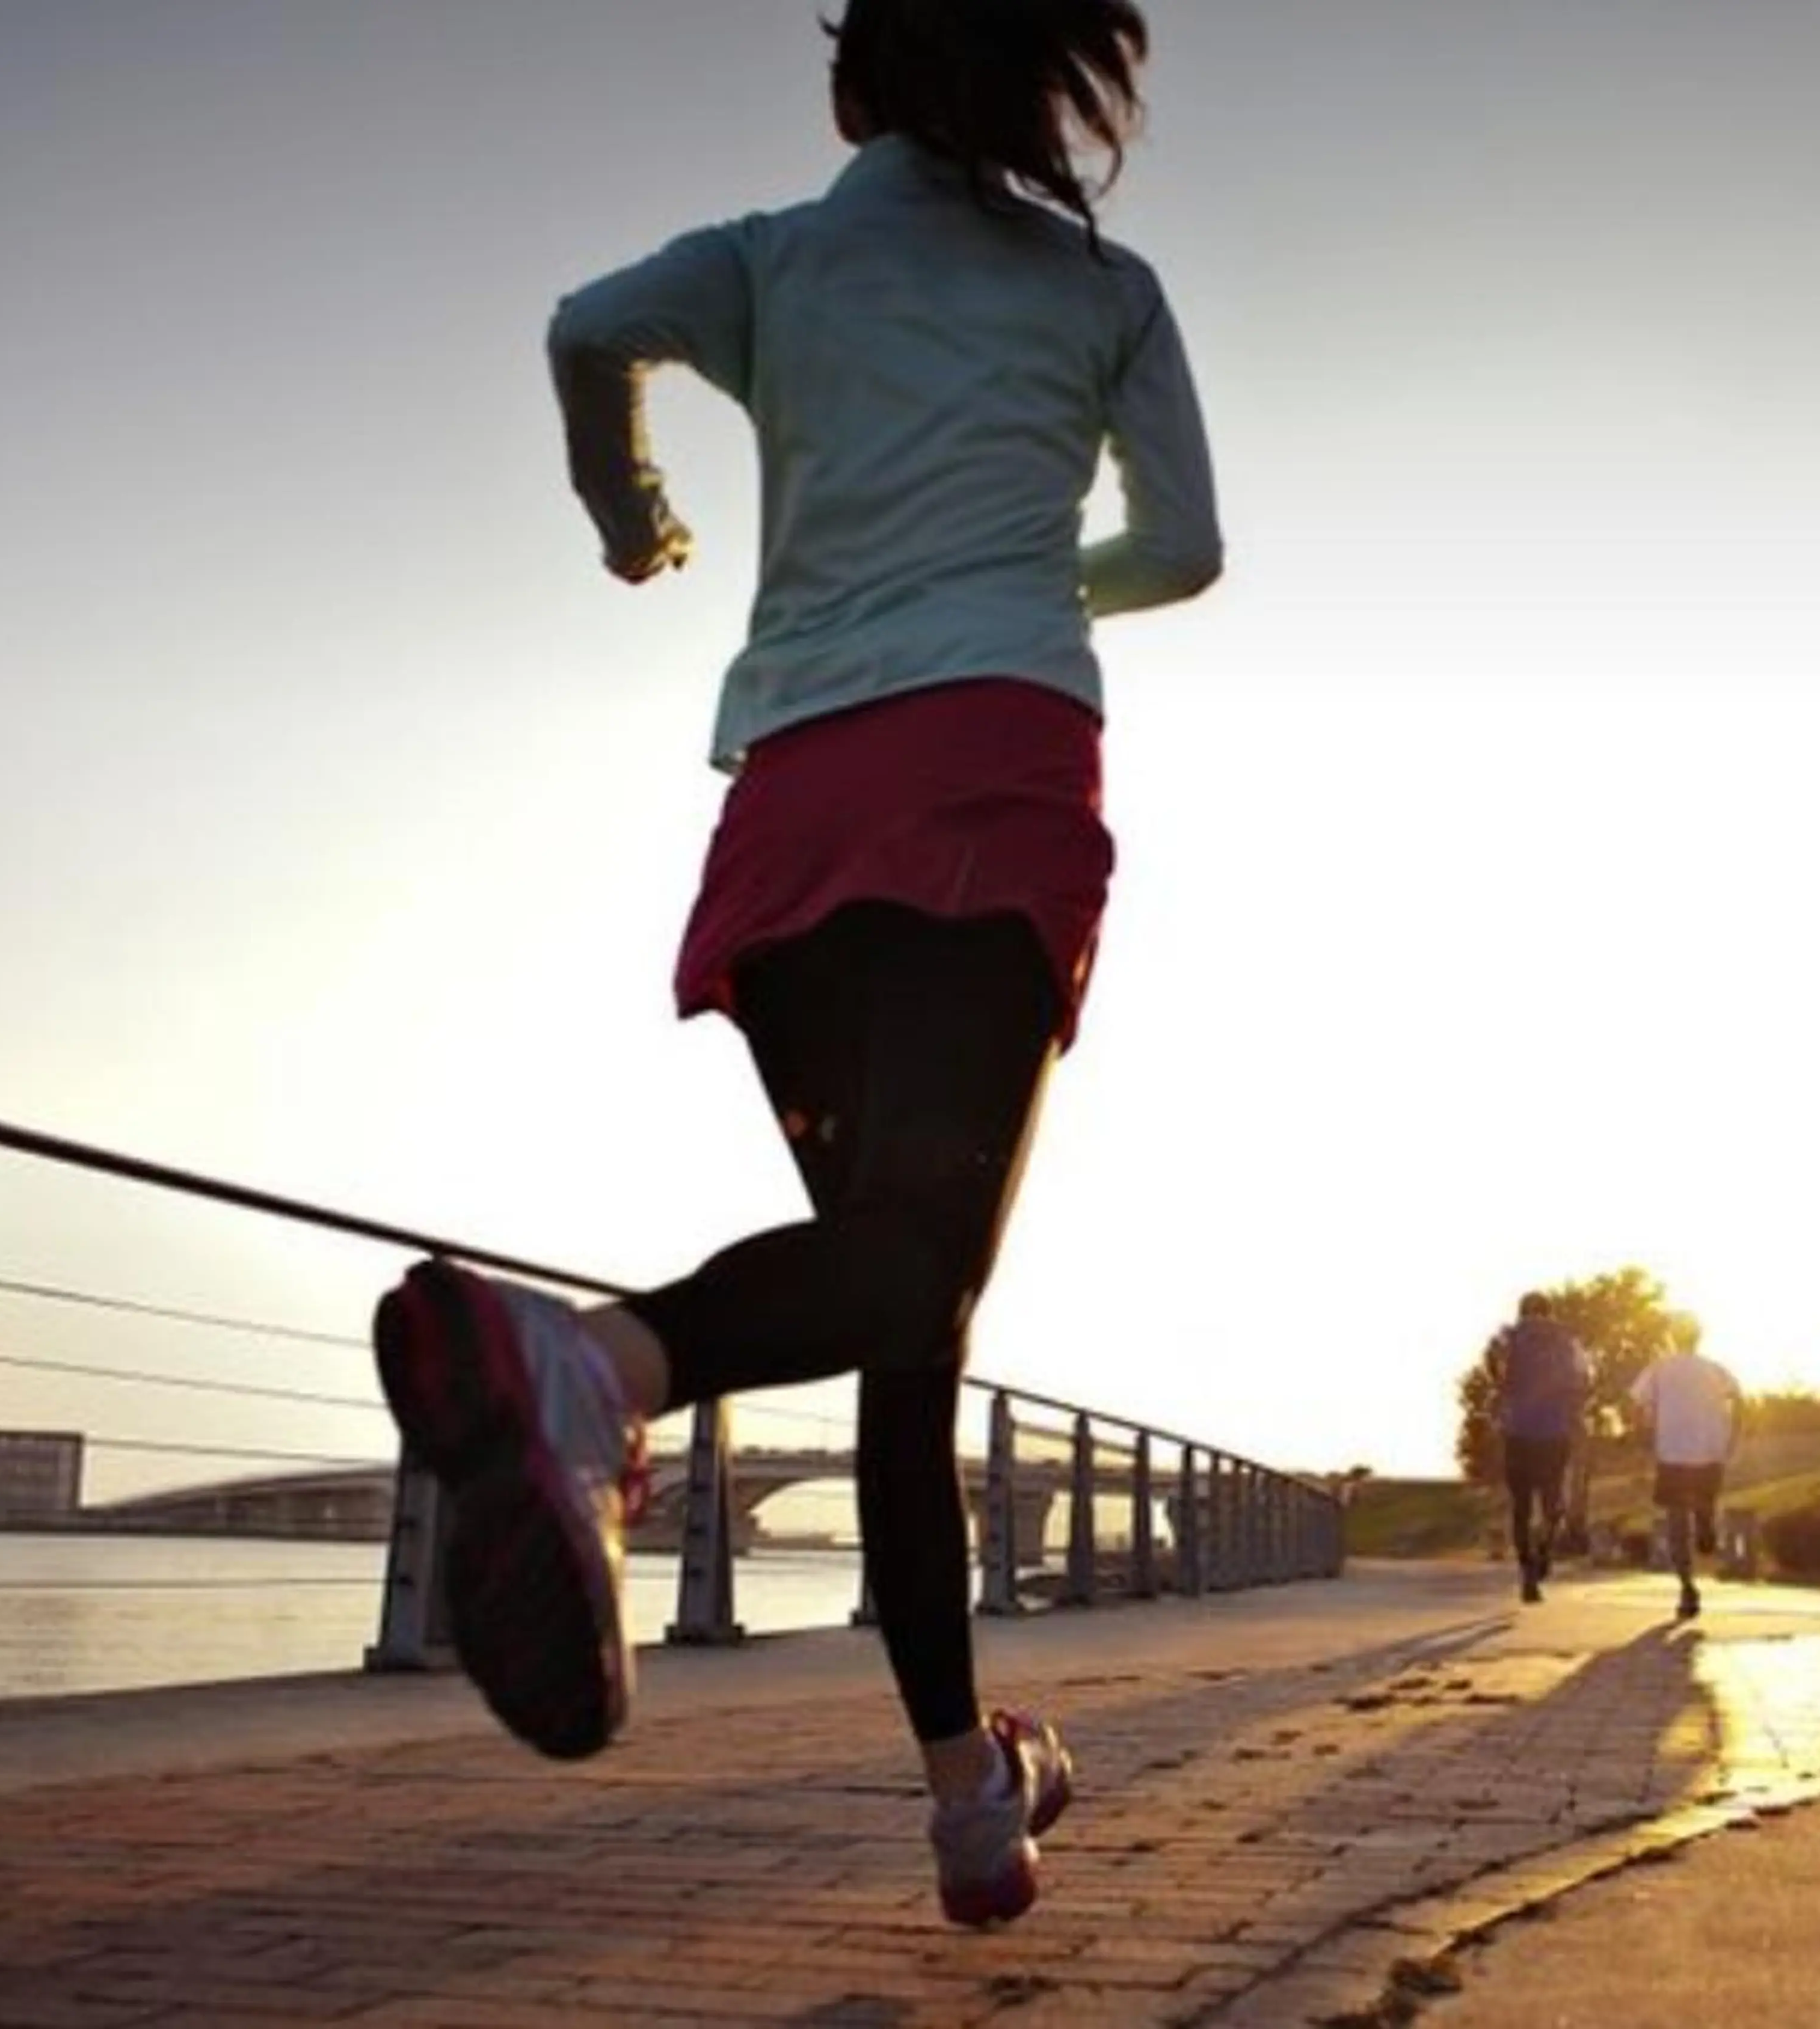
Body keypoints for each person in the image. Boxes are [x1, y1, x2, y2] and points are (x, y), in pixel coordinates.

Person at [371, 0, 1219, 1932]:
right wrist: (1022, 572)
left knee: (903, 1322)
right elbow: (1183, 544)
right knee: (913, 1267)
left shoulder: (774, 256)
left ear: (855, 83)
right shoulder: (1109, 291)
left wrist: (633, 516)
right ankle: (592, 1362)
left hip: (801, 800)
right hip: (987, 771)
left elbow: (589, 328)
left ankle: (966, 1797)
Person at [1630, 1320, 1741, 1620]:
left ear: (1671, 1338)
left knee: (1677, 1526)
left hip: (1672, 1454)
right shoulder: (1714, 1369)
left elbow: (1638, 1404)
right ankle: (1706, 1523)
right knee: (1704, 1504)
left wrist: (1642, 1438)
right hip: (1709, 1452)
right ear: (1699, 1338)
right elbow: (1738, 1398)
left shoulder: (1659, 1370)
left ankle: (1687, 1588)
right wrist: (1733, 1436)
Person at [1495, 1292, 1590, 1603]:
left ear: (1522, 1311)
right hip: (1555, 1431)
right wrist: (1573, 1411)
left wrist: (1504, 1402)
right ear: (1550, 1312)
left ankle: (1527, 1573)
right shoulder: (1568, 1340)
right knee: (1551, 1501)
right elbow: (1583, 1379)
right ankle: (1544, 1549)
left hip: (1518, 1431)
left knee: (1521, 1507)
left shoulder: (1508, 1337)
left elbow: (1497, 1373)